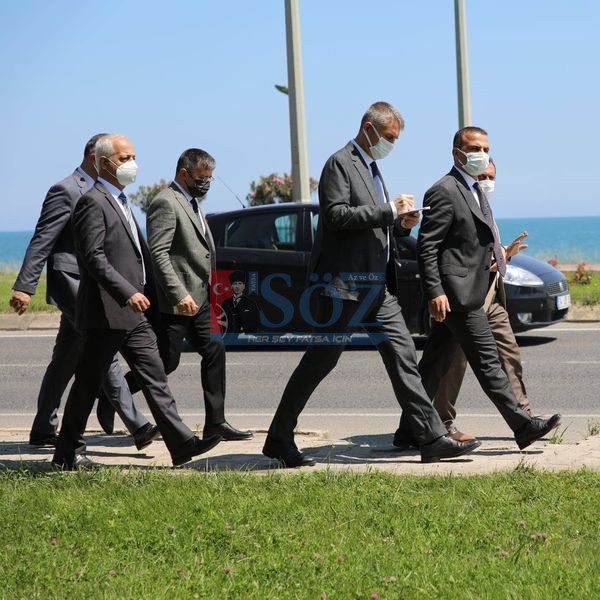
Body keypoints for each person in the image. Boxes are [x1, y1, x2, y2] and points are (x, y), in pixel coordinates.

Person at [262, 102, 481, 467]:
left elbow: (373, 226)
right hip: (344, 285)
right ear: (368, 128)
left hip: (377, 287)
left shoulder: (372, 167)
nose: (391, 144)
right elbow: (336, 215)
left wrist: (401, 224)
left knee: (403, 357)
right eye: (389, 137)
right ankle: (279, 438)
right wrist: (390, 210)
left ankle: (431, 439)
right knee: (320, 361)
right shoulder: (339, 163)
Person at [52, 134, 222, 470]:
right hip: (106, 311)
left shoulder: (122, 200)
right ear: (103, 163)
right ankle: (66, 452)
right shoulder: (92, 201)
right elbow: (93, 257)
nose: (132, 164)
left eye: (132, 157)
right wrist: (127, 292)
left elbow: (138, 254)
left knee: (155, 374)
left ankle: (181, 444)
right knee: (87, 382)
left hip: (135, 313)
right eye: (124, 158)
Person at [396, 126, 560, 450]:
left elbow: (471, 244)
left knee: (432, 367)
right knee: (488, 363)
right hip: (458, 296)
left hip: (468, 290)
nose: (481, 154)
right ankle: (523, 426)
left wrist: (500, 255)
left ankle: (408, 431)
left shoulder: (473, 190)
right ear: (457, 153)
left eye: (485, 148)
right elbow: (428, 246)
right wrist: (435, 292)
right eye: (474, 148)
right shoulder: (444, 190)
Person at [9, 133, 154, 448]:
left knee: (66, 357)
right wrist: (25, 287)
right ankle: (139, 425)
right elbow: (43, 239)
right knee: (103, 348)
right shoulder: (66, 189)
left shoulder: (112, 192)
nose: (130, 164)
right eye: (123, 158)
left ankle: (43, 428)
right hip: (72, 281)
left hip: (97, 284)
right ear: (95, 157)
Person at [137, 148, 252, 441]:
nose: (207, 183)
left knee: (214, 350)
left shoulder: (192, 202)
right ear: (184, 174)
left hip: (200, 298)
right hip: (176, 301)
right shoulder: (165, 202)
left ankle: (216, 422)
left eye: (210, 178)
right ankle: (115, 393)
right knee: (166, 361)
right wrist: (178, 294)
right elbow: (159, 254)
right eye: (202, 178)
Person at [431, 160, 532, 441]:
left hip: (491, 295)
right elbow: (452, 252)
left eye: (491, 176)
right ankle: (441, 423)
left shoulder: (484, 205)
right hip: (464, 298)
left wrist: (503, 254)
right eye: (482, 175)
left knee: (509, 356)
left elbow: (482, 250)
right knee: (453, 363)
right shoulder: (454, 198)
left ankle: (526, 419)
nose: (487, 181)